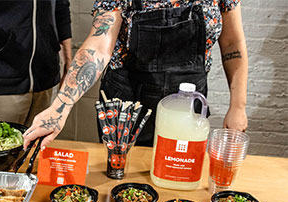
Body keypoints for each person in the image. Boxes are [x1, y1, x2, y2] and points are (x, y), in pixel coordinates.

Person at [23, 0, 248, 149]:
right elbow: (100, 44)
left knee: (179, 174)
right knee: (122, 187)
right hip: (128, 102)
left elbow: (232, 44)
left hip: (187, 105)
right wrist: (60, 107)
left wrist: (238, 106)